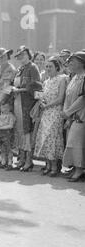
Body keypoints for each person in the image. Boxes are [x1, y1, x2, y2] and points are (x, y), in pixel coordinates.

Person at [34, 57, 67, 177]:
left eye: (50, 66)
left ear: (57, 67)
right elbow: (43, 96)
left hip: (55, 112)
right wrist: (42, 102)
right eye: (46, 66)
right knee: (44, 138)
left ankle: (54, 167)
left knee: (52, 138)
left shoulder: (61, 79)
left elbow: (60, 98)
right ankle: (47, 165)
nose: (48, 68)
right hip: (46, 112)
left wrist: (47, 105)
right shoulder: (46, 81)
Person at [11, 46, 42, 172]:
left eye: (23, 54)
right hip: (18, 102)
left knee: (27, 131)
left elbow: (37, 86)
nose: (21, 57)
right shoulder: (20, 69)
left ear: (29, 55)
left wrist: (21, 90)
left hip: (27, 103)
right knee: (20, 130)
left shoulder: (33, 67)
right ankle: (22, 158)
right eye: (19, 55)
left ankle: (29, 160)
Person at [61, 51, 85, 182]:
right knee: (73, 143)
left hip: (80, 117)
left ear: (81, 63)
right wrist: (67, 114)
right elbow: (68, 96)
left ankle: (79, 170)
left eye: (72, 62)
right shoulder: (74, 78)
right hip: (72, 117)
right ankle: (76, 168)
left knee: (76, 143)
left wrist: (68, 112)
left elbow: (82, 99)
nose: (69, 64)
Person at [0, 94, 16, 170]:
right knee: (2, 149)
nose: (4, 109)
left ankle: (10, 162)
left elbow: (11, 125)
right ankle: (3, 162)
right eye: (3, 107)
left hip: (8, 134)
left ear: (10, 107)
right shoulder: (1, 115)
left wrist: (1, 127)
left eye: (7, 107)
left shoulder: (11, 116)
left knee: (9, 149)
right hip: (1, 134)